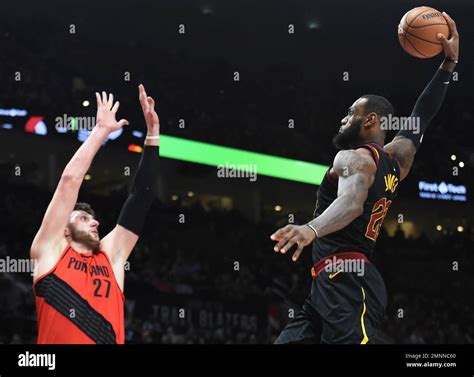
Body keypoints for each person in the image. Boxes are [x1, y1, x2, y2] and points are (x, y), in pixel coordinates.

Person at [271, 13, 459, 344]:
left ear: (370, 118)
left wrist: (309, 228)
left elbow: (352, 202)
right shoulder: (398, 159)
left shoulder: (353, 157)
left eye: (350, 113)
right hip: (329, 287)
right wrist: (448, 65)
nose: (343, 119)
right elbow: (422, 116)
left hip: (345, 278)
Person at [30, 85, 160, 344]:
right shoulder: (50, 250)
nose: (95, 222)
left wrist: (153, 135)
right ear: (64, 230)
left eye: (93, 218)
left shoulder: (111, 256)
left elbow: (141, 198)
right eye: (82, 217)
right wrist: (100, 132)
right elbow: (69, 181)